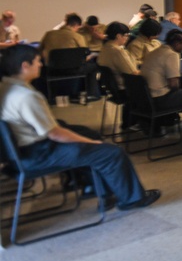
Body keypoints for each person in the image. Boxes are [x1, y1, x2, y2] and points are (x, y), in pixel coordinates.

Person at [0, 44, 160, 210]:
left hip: (21, 153)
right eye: (37, 61)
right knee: (112, 153)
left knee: (89, 134)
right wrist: (89, 143)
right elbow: (55, 134)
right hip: (38, 153)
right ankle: (131, 199)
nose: (41, 64)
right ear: (25, 66)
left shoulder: (5, 87)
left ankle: (97, 189)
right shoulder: (26, 96)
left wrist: (87, 139)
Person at [39, 13, 100, 102]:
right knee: (94, 66)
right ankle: (93, 94)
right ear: (76, 25)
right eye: (78, 28)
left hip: (52, 70)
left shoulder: (48, 34)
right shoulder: (77, 36)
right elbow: (84, 55)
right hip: (73, 70)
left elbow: (39, 50)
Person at [140, 30, 182, 112]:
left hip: (145, 98)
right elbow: (174, 84)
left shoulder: (155, 52)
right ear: (177, 44)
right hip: (160, 99)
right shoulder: (172, 54)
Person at [97, 22, 140, 91]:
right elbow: (132, 73)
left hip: (112, 88)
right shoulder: (118, 51)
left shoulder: (105, 48)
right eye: (126, 35)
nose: (127, 38)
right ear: (118, 36)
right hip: (125, 88)